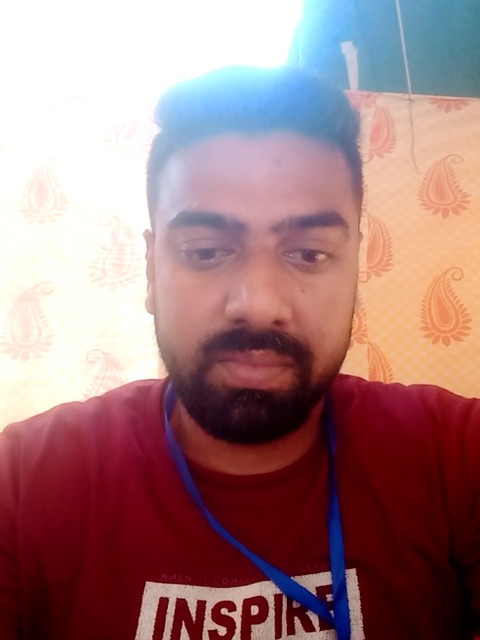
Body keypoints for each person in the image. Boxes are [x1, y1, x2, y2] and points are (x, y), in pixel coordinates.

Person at [0, 65, 479, 640]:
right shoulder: (25, 483)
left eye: (308, 254)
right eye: (206, 251)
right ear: (151, 270)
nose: (258, 304)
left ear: (355, 264)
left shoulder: (454, 458)